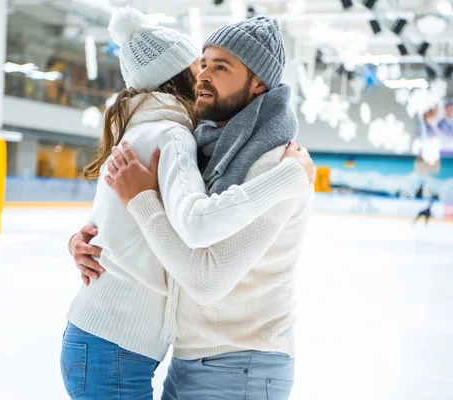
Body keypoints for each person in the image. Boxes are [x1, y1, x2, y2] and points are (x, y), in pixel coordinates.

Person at [64, 9, 314, 400]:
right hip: (191, 360)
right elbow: (167, 222)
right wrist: (90, 239)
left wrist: (140, 201)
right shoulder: (205, 148)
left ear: (258, 83)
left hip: (240, 364)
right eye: (202, 64)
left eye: (221, 67)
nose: (203, 75)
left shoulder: (273, 162)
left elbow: (205, 281)